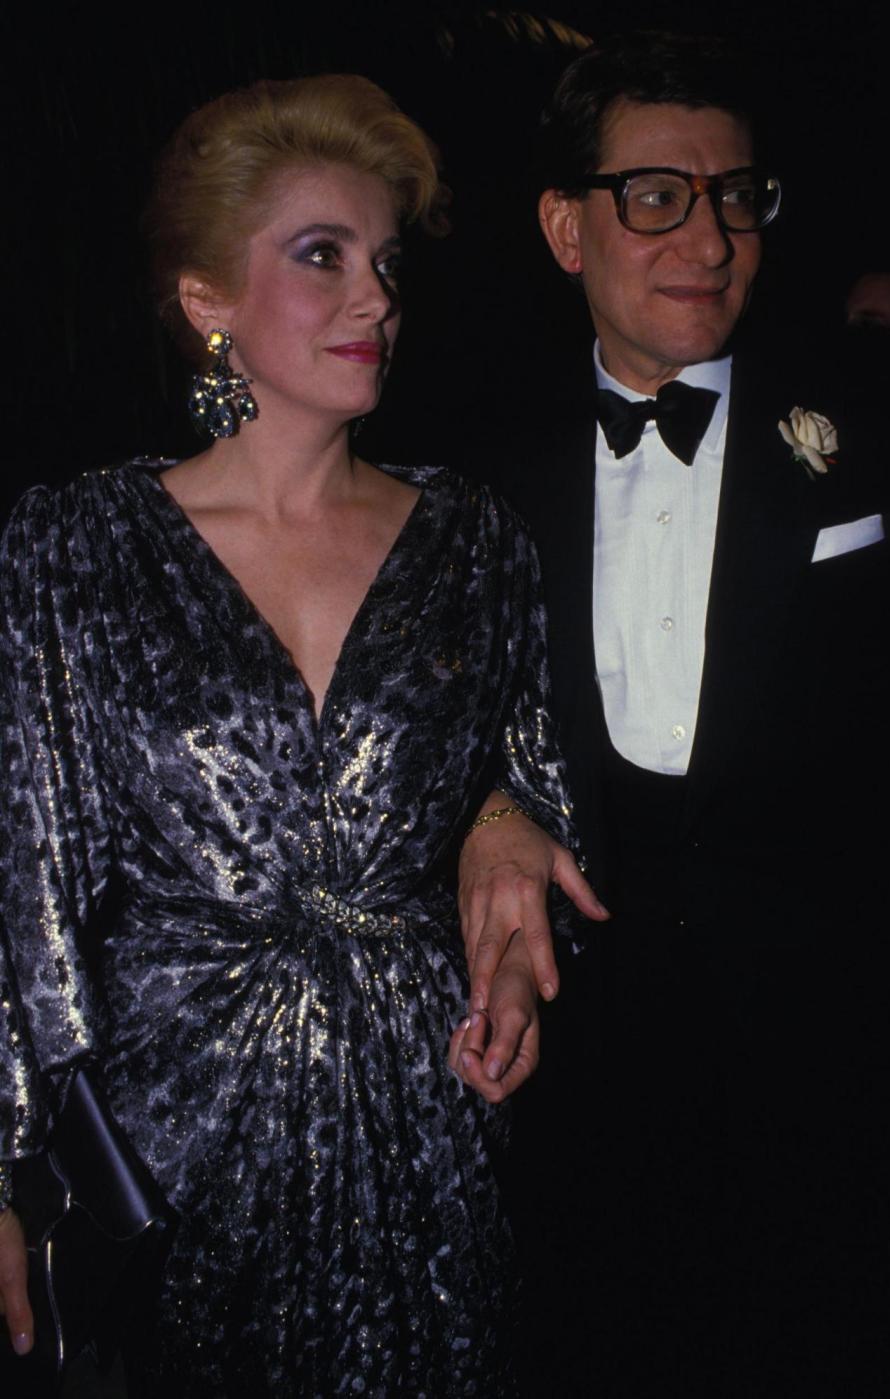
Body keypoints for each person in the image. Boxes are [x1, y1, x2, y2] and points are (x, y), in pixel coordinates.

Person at [0, 73, 599, 1397]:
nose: (376, 297)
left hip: (427, 1113)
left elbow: (534, 771)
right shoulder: (76, 548)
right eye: (320, 257)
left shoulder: (475, 540)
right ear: (206, 300)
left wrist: (503, 899)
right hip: (167, 1144)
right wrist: (10, 1163)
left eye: (383, 263)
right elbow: (21, 883)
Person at [456, 31, 890, 1398]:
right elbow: (431, 716)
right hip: (575, 1059)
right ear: (567, 226)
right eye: (656, 194)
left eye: (735, 194)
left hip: (832, 1057)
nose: (710, 236)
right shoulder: (470, 468)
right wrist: (487, 810)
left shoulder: (886, 429)